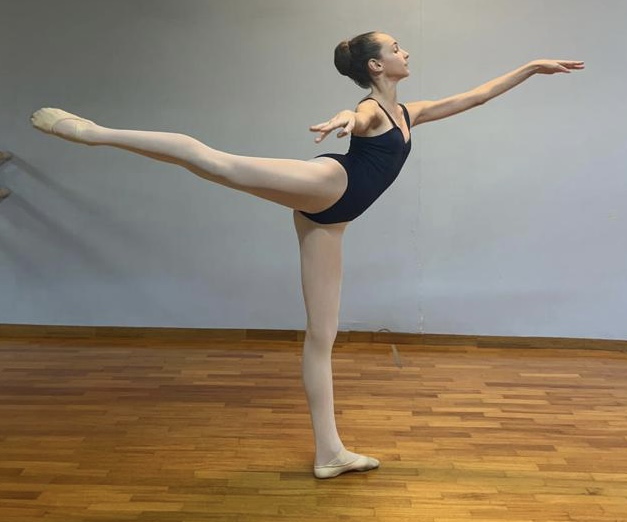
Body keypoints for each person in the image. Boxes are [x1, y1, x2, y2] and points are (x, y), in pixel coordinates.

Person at [30, 32, 584, 478]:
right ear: (376, 66)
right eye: (396, 48)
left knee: (323, 336)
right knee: (216, 162)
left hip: (331, 223)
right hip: (328, 186)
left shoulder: (410, 112)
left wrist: (531, 67)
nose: (406, 52)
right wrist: (344, 119)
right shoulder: (371, 109)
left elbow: (476, 96)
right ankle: (94, 133)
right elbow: (357, 118)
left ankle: (329, 452)